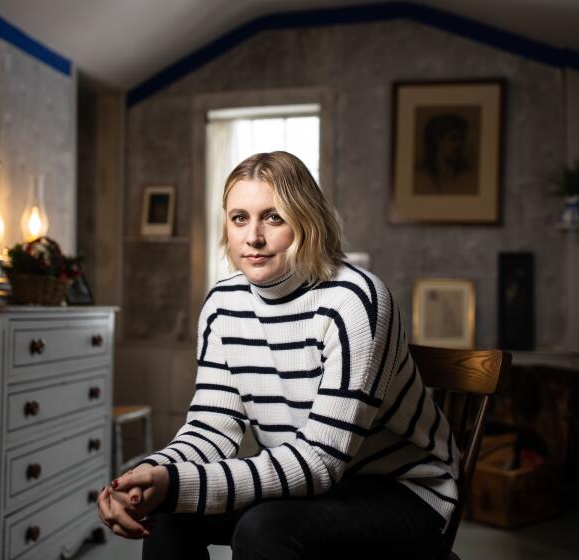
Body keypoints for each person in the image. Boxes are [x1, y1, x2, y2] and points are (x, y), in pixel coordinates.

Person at [98, 151, 459, 559]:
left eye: (273, 217)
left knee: (262, 529)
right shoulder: (223, 305)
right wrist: (150, 476)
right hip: (302, 480)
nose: (253, 237)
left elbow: (321, 461)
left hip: (403, 491)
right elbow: (210, 431)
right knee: (169, 509)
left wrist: (176, 483)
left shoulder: (355, 301)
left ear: (308, 221)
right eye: (239, 218)